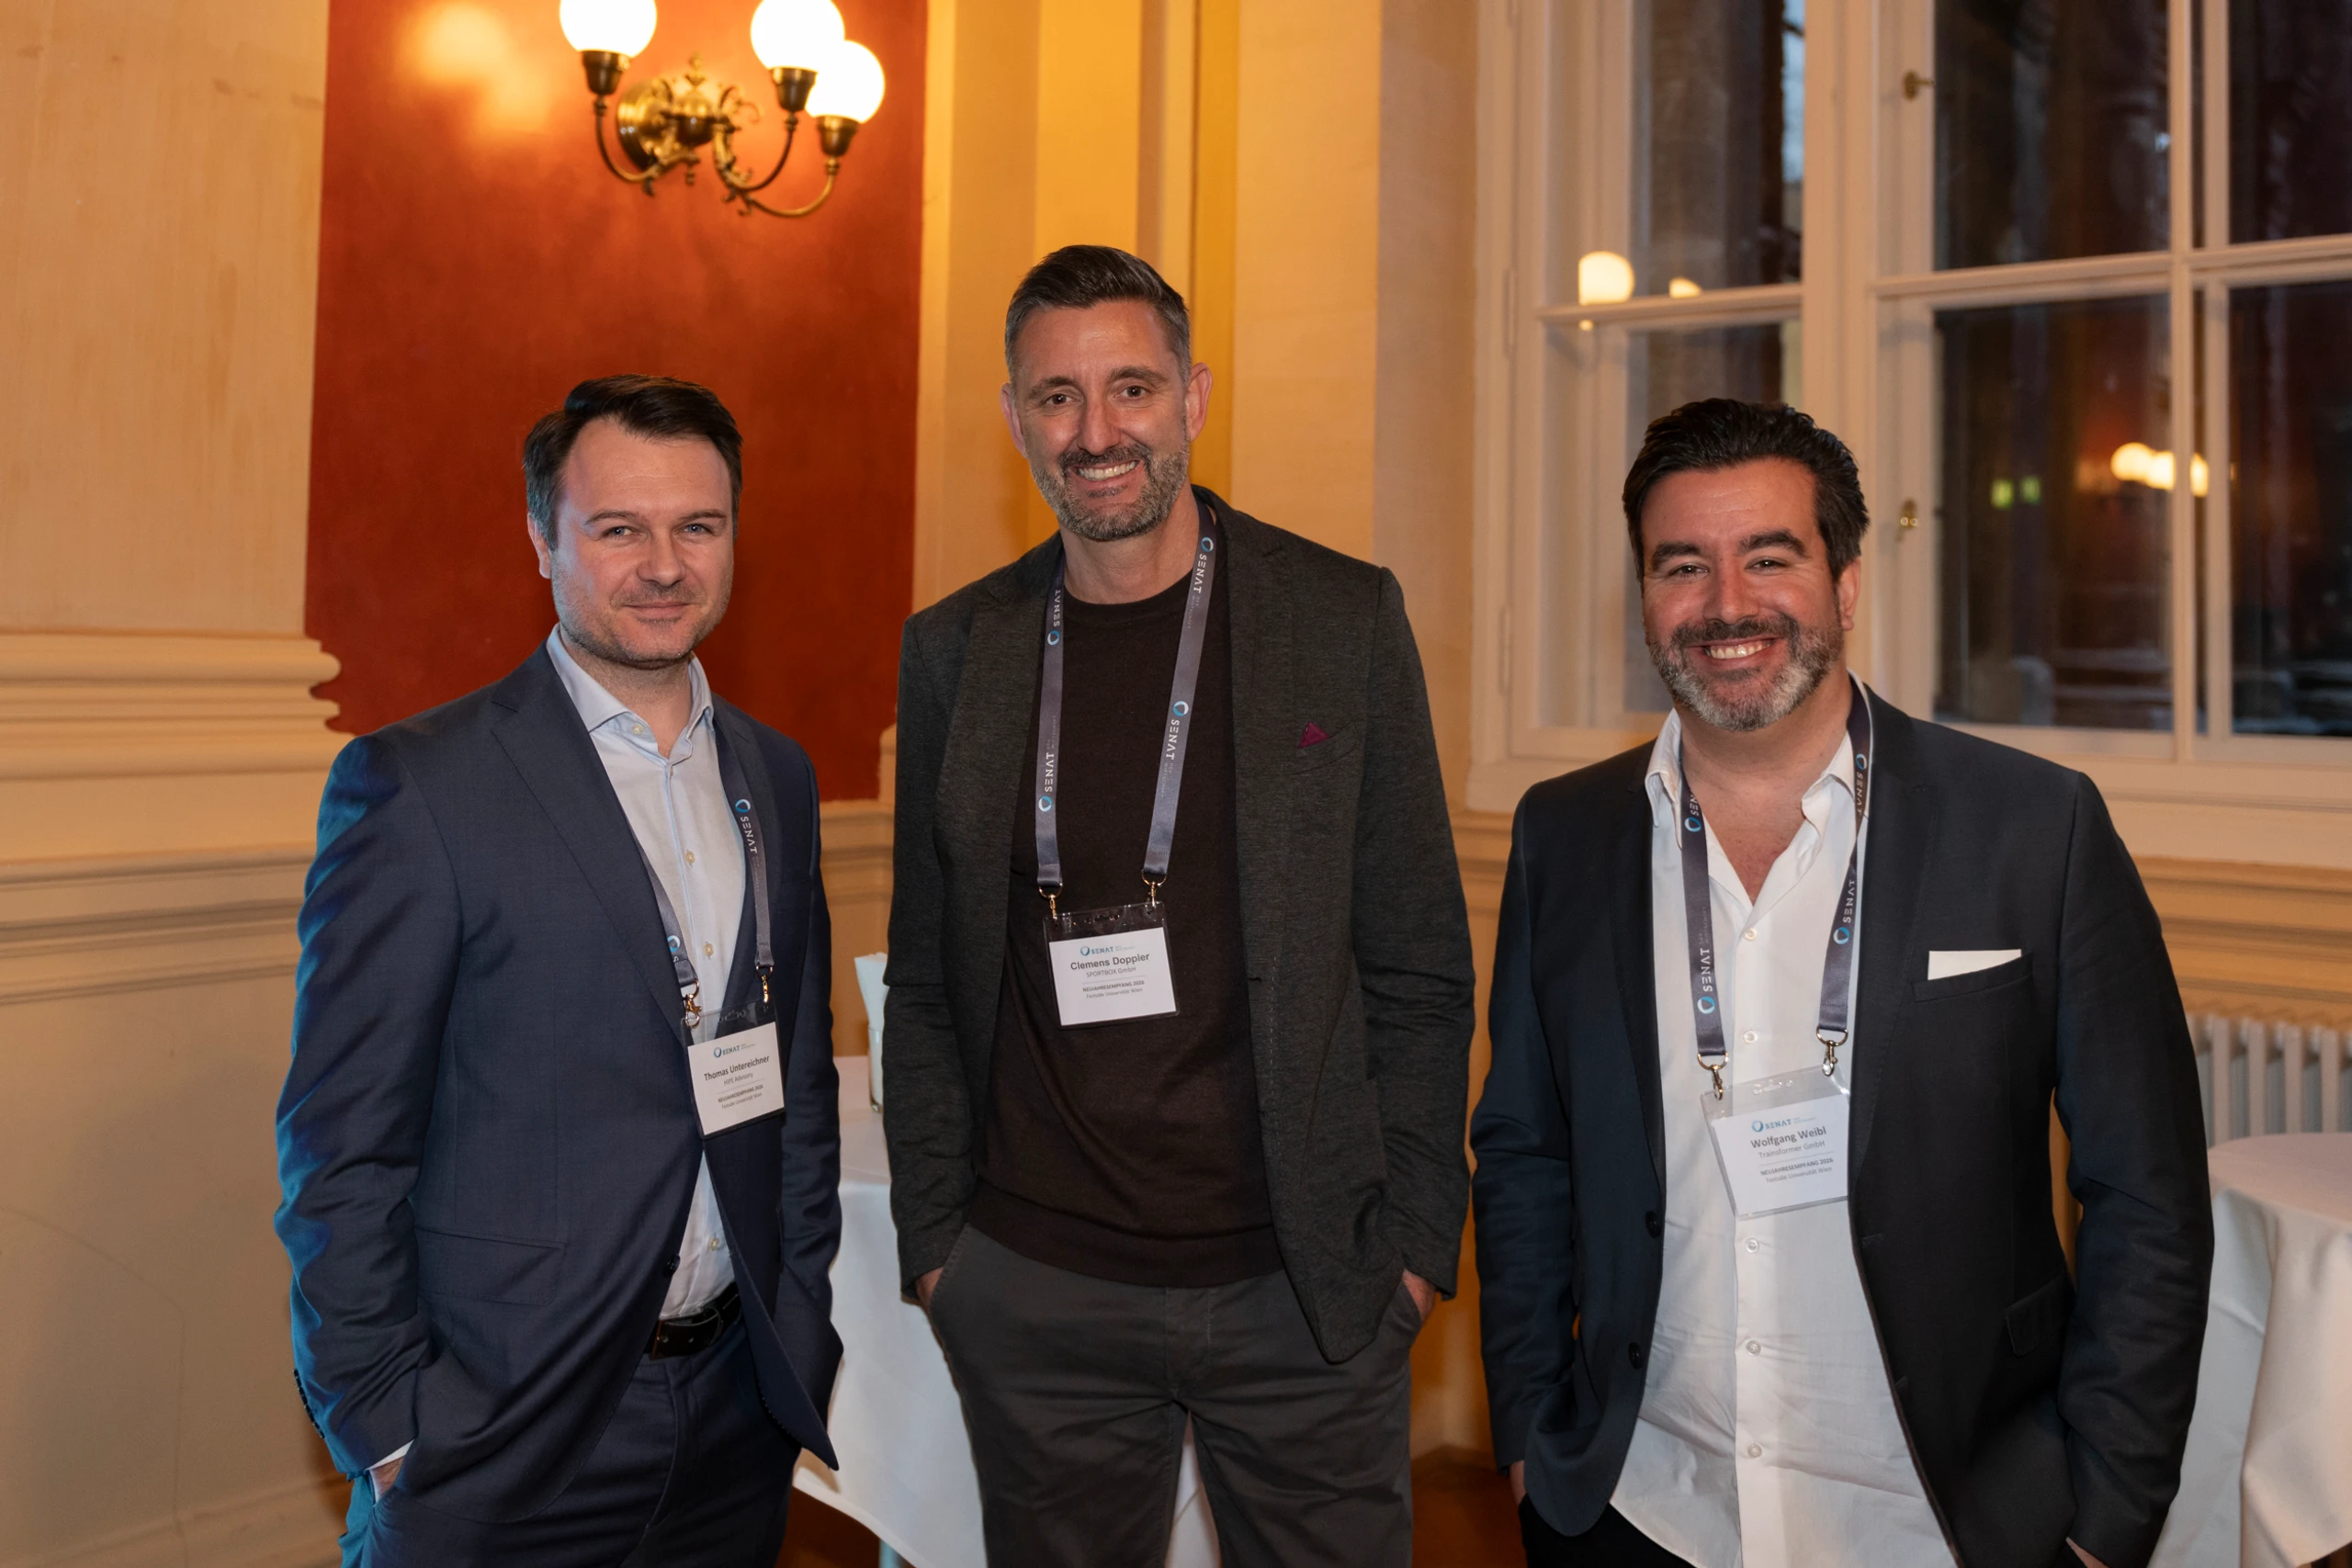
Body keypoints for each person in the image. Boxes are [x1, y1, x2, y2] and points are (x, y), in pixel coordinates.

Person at [1471, 399, 2212, 1568]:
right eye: (1682, 565)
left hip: (1943, 1517)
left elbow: (2148, 1193)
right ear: (1644, 594)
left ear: (1847, 582)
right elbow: (1524, 1149)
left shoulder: (2033, 827)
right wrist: (1526, 1428)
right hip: (1642, 1505)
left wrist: (2105, 1513)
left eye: (1769, 557)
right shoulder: (1561, 835)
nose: (1726, 604)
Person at [880, 244, 1475, 1566]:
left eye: (1131, 388)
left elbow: (1420, 963)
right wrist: (941, 1251)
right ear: (1015, 418)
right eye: (1057, 397)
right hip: (1036, 1286)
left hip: (1306, 1288)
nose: (1096, 433)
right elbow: (924, 975)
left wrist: (1412, 1247)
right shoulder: (956, 649)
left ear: (1194, 397)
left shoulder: (1339, 618)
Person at [275, 375, 842, 1566]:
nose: (665, 565)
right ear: (542, 540)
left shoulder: (777, 778)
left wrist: (799, 1318)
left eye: (698, 525)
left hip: (734, 1419)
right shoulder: (421, 788)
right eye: (619, 528)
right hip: (503, 1434)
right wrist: (389, 1425)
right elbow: (341, 1148)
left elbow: (795, 1089)